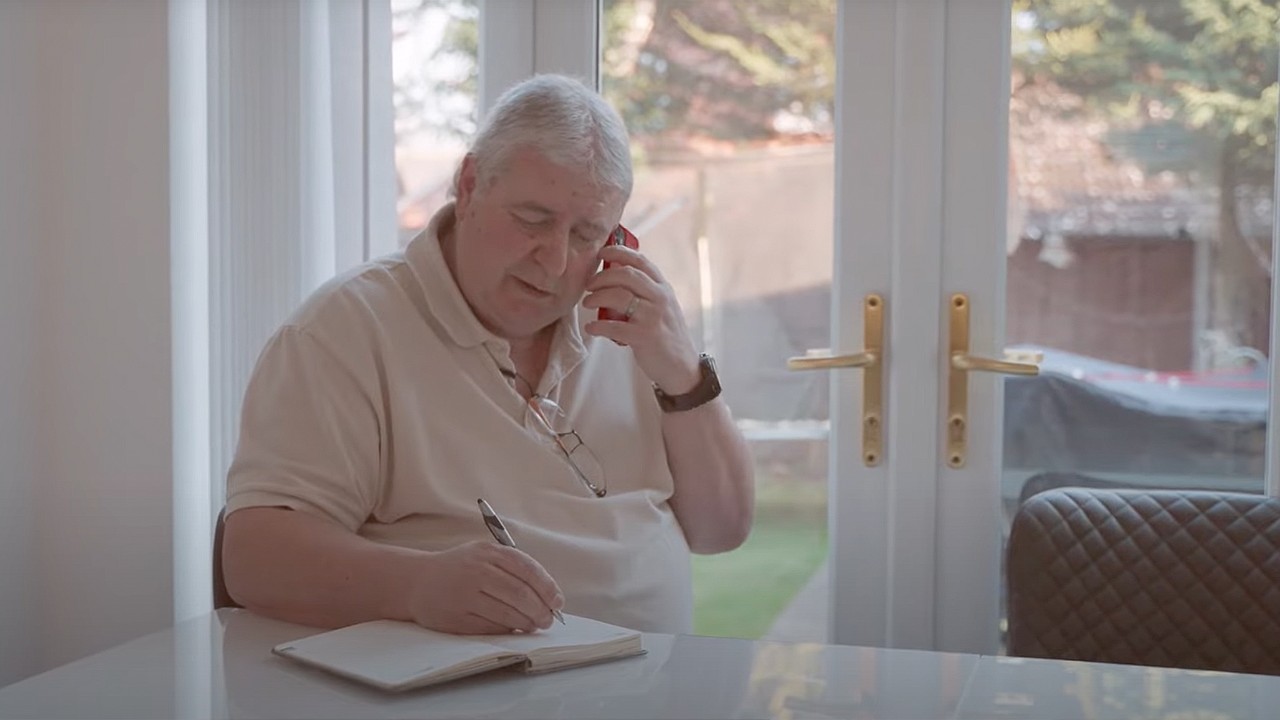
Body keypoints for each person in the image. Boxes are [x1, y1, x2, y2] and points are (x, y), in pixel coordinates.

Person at [221, 74, 754, 636]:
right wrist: (415, 585)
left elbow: (722, 531)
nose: (553, 261)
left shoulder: (634, 328)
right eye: (533, 220)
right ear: (470, 185)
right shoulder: (344, 330)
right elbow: (256, 557)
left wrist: (682, 374)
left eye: (585, 236)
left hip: (654, 688)